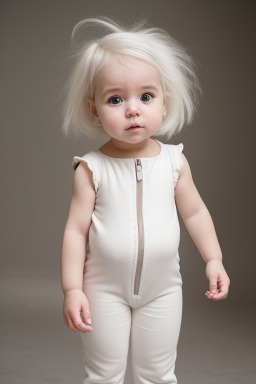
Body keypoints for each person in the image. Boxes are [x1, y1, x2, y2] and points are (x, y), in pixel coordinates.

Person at [60, 16, 230, 384]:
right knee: (103, 374)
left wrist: (213, 258)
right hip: (103, 291)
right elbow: (75, 232)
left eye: (146, 96)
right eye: (115, 99)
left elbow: (196, 212)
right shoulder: (91, 169)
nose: (132, 109)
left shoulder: (173, 162)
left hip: (163, 290)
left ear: (164, 102)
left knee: (158, 374)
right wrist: (72, 289)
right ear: (95, 110)